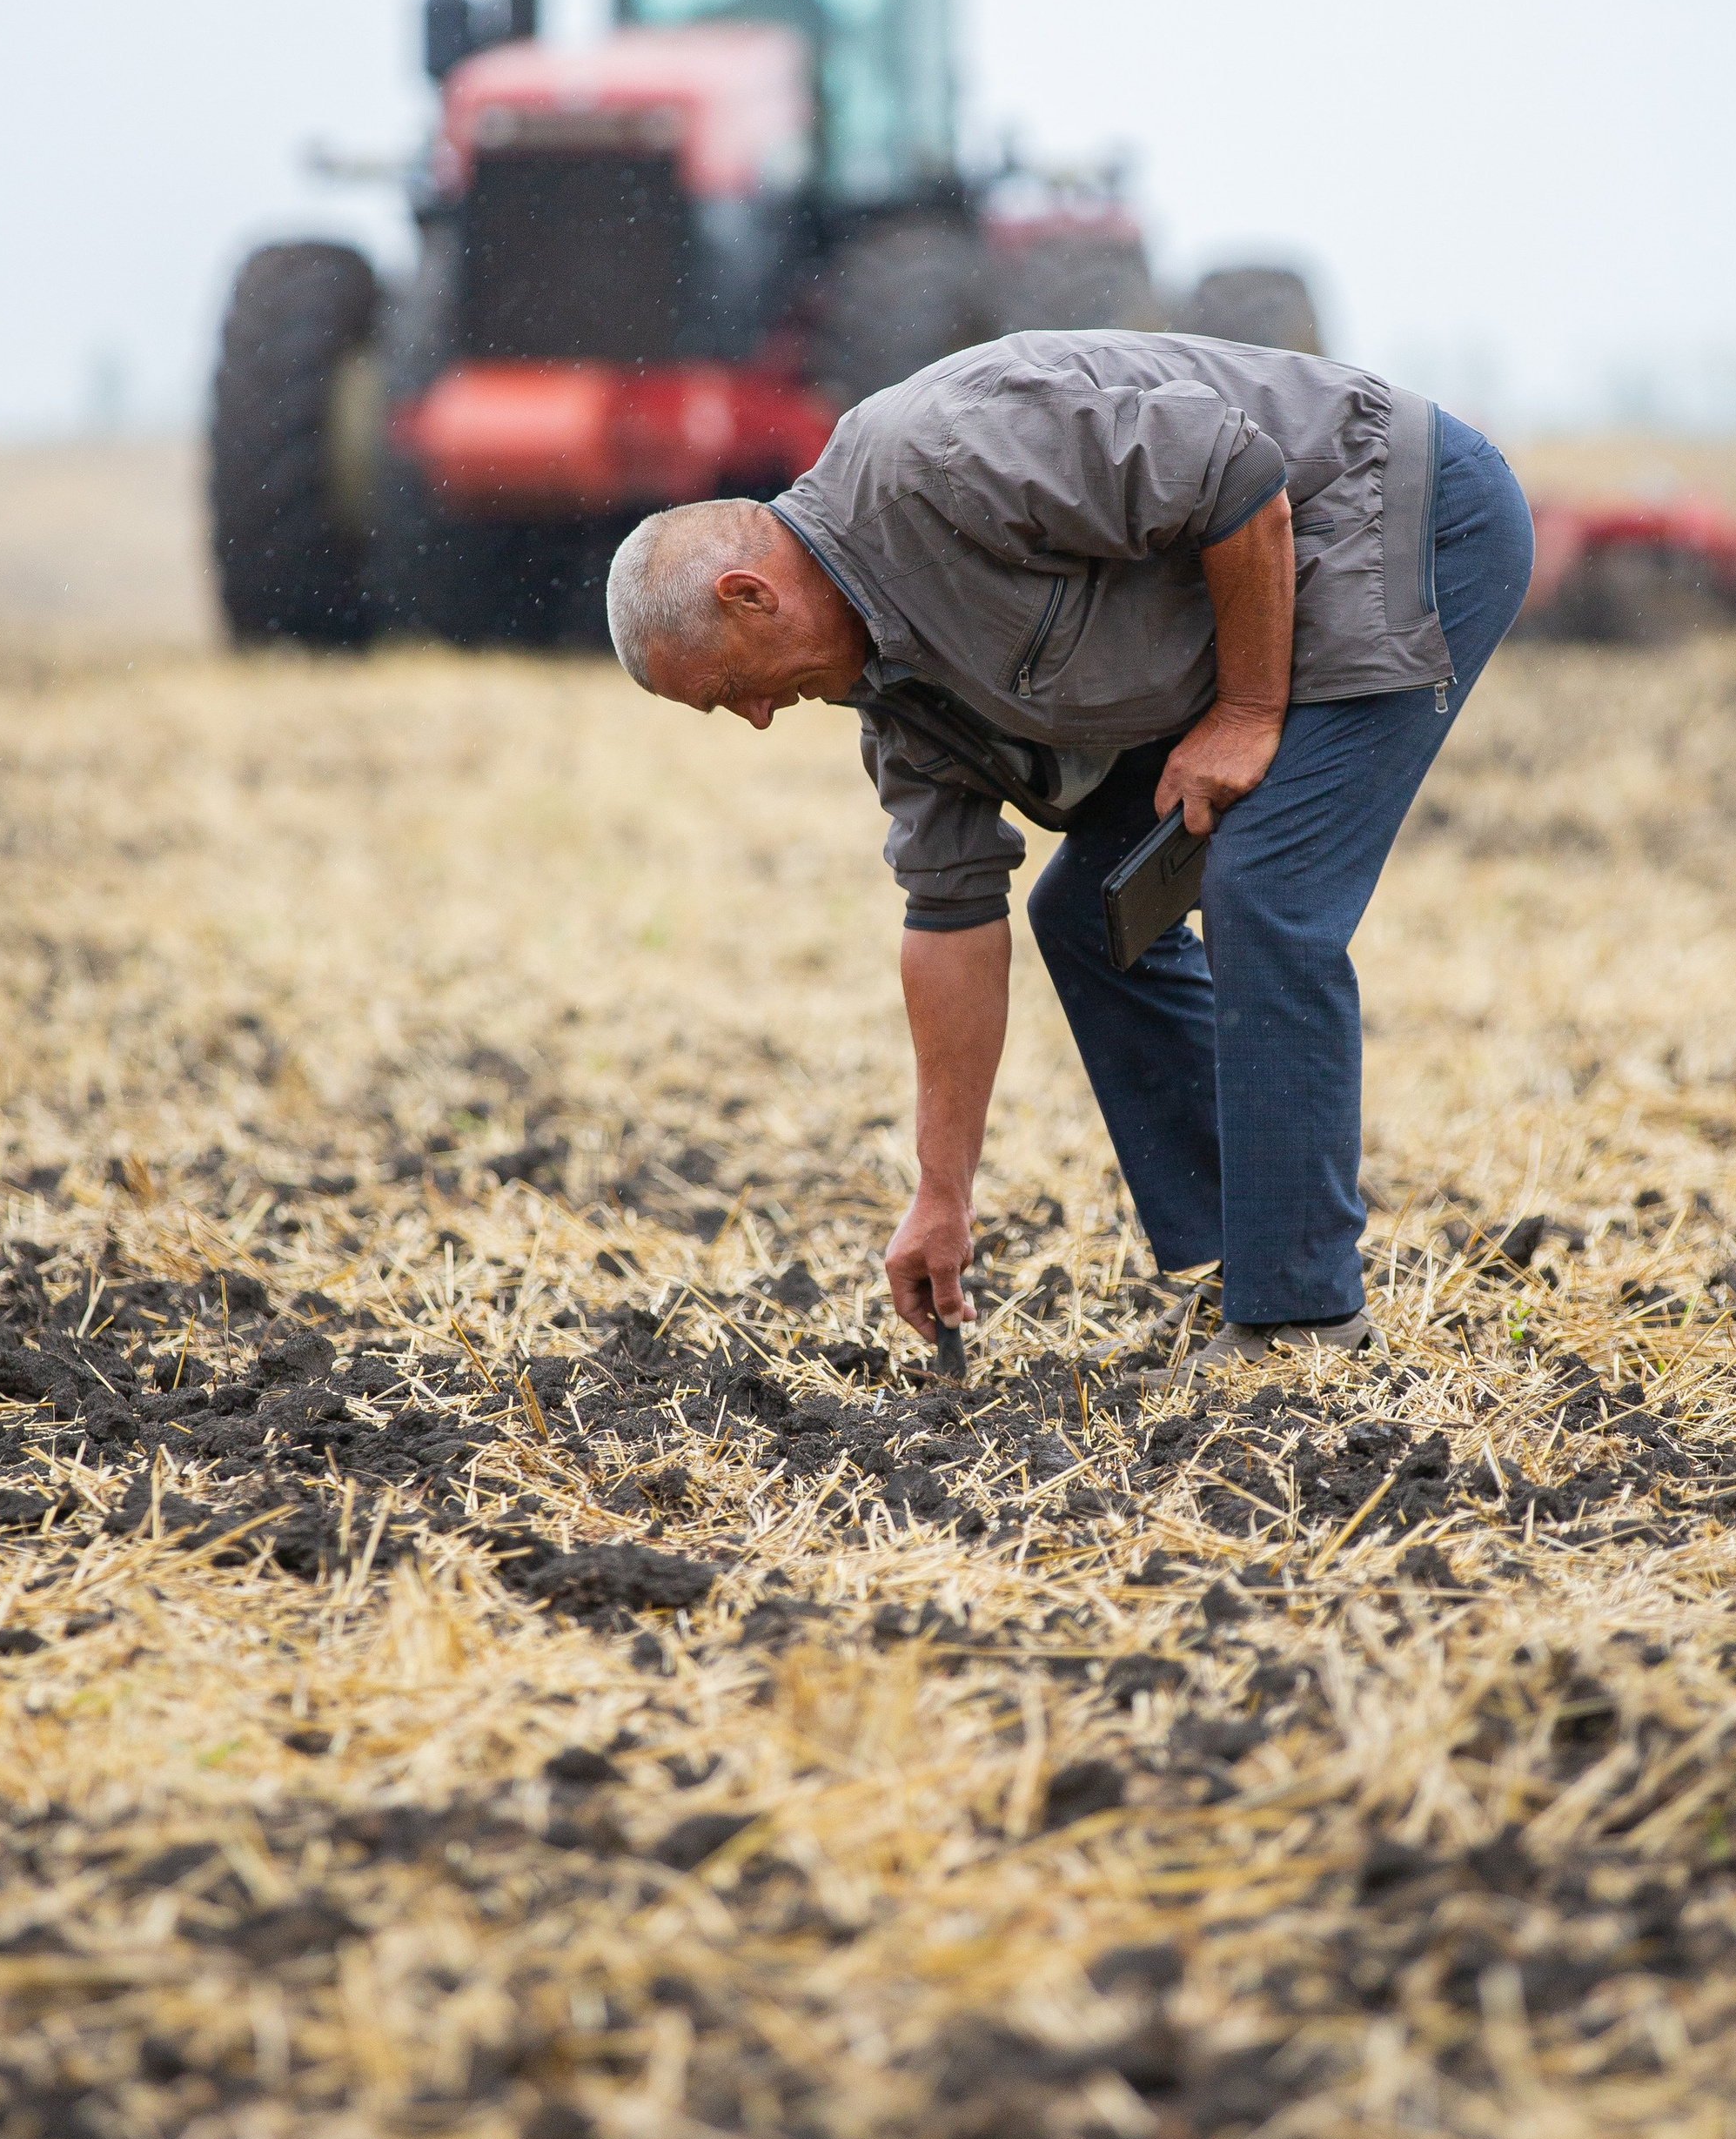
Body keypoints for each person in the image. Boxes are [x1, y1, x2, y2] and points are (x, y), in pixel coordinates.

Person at [607, 330, 1535, 1376]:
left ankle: (1302, 1322)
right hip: (1270, 594)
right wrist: (941, 1196)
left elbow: (1235, 473)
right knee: (1086, 915)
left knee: (1265, 889)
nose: (760, 717)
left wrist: (1246, 709)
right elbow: (949, 920)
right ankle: (1247, 1271)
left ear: (747, 595)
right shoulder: (896, 703)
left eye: (733, 689)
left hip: (1398, 516)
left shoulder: (936, 458)